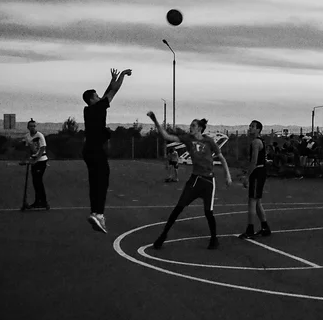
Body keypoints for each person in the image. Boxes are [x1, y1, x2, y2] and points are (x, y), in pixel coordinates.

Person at [149, 112, 232, 250]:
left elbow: (222, 158)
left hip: (208, 181)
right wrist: (155, 121)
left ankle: (214, 238)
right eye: (190, 125)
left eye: (193, 125)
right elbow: (167, 136)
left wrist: (227, 175)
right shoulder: (188, 139)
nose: (190, 127)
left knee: (208, 212)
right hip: (195, 180)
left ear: (200, 128)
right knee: (178, 208)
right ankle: (163, 235)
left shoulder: (209, 141)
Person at [82, 67, 132, 233]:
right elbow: (114, 92)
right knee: (103, 181)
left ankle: (94, 212)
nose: (99, 97)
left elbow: (105, 95)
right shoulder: (98, 107)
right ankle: (100, 215)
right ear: (91, 99)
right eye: (95, 96)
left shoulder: (88, 110)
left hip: (87, 151)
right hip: (96, 151)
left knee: (94, 182)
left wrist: (111, 81)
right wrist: (123, 75)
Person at [238, 120, 272, 239]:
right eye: (250, 126)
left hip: (258, 172)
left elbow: (254, 161)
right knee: (257, 202)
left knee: (252, 201)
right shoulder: (258, 141)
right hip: (259, 172)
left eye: (253, 127)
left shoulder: (256, 142)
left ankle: (250, 229)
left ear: (258, 129)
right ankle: (265, 227)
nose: (250, 128)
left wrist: (247, 177)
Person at [22, 118, 49, 209]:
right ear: (28, 127)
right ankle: (38, 201)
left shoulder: (39, 135)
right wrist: (27, 159)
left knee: (38, 181)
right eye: (31, 126)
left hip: (41, 160)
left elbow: (42, 149)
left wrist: (36, 160)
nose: (32, 128)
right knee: (35, 181)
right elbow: (27, 149)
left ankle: (43, 201)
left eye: (34, 126)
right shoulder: (27, 136)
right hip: (34, 160)